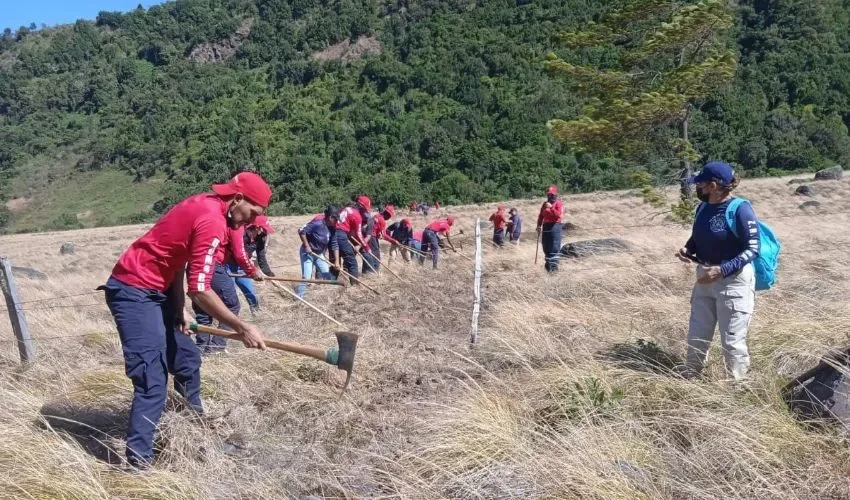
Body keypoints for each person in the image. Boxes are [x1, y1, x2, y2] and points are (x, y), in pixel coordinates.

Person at [101, 172, 270, 469]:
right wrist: (241, 327)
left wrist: (178, 307)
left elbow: (177, 259)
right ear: (238, 198)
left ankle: (192, 431)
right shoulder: (212, 220)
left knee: (187, 360)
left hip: (159, 292)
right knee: (152, 379)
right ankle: (138, 465)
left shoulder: (210, 208)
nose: (250, 221)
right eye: (252, 212)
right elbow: (201, 290)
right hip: (133, 291)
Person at [676, 161, 760, 381]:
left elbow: (753, 248)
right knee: (697, 337)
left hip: (734, 282)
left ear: (714, 186)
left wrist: (723, 269)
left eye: (701, 184)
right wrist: (688, 248)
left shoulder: (740, 209)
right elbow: (699, 235)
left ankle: (738, 389)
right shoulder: (702, 208)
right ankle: (692, 380)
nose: (698, 188)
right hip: (704, 279)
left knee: (732, 341)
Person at [193, 223, 262, 354]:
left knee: (203, 306)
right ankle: (216, 348)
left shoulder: (215, 222)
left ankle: (201, 350)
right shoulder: (236, 225)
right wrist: (252, 271)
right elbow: (240, 253)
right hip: (213, 266)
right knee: (232, 306)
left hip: (196, 264)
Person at [227, 215, 274, 313]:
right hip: (228, 265)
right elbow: (239, 254)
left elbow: (261, 259)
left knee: (251, 293)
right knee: (229, 294)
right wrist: (252, 271)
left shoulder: (260, 238)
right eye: (264, 229)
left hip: (243, 267)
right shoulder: (242, 234)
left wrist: (270, 275)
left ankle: (256, 313)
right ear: (257, 227)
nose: (266, 232)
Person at [296, 205, 339, 298]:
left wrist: (337, 262)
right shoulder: (317, 223)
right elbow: (301, 231)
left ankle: (329, 297)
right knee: (306, 278)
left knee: (327, 275)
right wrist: (307, 246)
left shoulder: (332, 228)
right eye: (336, 219)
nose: (337, 222)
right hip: (307, 253)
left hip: (319, 254)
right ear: (331, 217)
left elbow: (335, 244)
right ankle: (299, 298)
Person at [334, 195, 371, 285]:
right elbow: (359, 234)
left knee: (335, 261)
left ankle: (332, 283)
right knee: (352, 262)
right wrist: (367, 247)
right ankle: (355, 286)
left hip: (333, 233)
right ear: (361, 207)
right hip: (341, 235)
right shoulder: (357, 216)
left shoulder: (346, 208)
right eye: (365, 209)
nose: (365, 212)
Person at [536, 185, 564, 273]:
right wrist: (539, 225)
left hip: (555, 226)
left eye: (551, 195)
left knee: (554, 247)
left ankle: (554, 270)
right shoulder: (544, 204)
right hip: (546, 226)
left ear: (555, 194)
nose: (550, 196)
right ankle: (548, 269)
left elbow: (558, 215)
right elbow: (541, 216)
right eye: (548, 195)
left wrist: (551, 207)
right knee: (546, 247)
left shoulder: (558, 203)